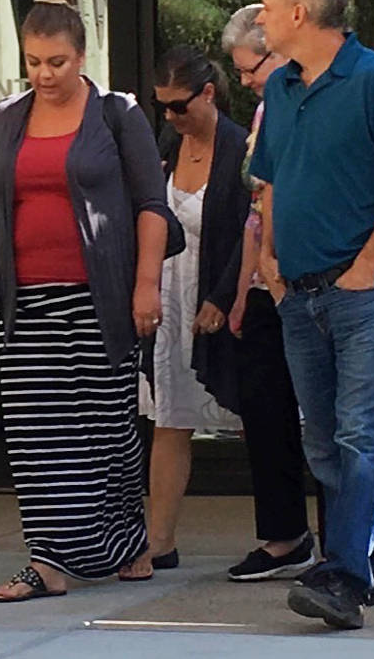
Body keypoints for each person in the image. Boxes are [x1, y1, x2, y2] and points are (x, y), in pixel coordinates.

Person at [0, 0, 170, 602]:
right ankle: (49, 560)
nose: (44, 75)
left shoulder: (117, 114)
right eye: (33, 62)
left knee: (105, 426)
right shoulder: (5, 119)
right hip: (24, 300)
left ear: (82, 57)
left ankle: (126, 539)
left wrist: (146, 286)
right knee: (37, 431)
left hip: (101, 296)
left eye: (57, 62)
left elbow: (151, 204)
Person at [249, 0, 374, 629]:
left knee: (360, 437)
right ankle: (368, 562)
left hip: (363, 295)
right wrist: (268, 258)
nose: (259, 16)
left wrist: (367, 264)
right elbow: (267, 181)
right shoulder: (281, 92)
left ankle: (345, 577)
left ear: (300, 13)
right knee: (324, 442)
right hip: (298, 295)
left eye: (267, 5)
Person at [129, 46, 249, 578]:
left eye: (179, 105)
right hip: (171, 295)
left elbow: (250, 231)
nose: (172, 117)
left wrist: (222, 298)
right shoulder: (165, 145)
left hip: (223, 288)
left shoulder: (239, 145)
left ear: (208, 93)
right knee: (169, 419)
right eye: (162, 108)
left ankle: (287, 532)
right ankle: (161, 539)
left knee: (258, 417)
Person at [218, 5, 317, 581]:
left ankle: (347, 546)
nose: (247, 80)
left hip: (305, 278)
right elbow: (254, 212)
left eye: (250, 67)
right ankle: (283, 536)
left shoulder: (306, 100)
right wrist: (241, 292)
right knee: (263, 411)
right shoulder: (266, 109)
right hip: (262, 283)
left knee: (327, 421)